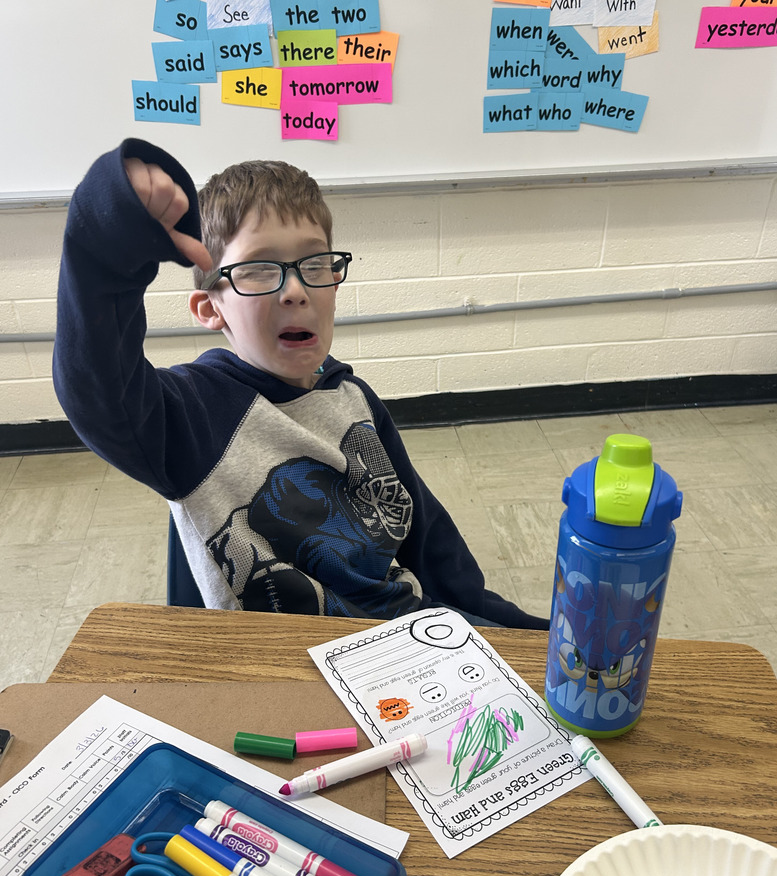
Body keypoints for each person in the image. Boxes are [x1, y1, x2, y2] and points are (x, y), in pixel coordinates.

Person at [53, 138, 548, 630]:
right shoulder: (189, 415)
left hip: (403, 642)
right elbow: (97, 386)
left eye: (315, 265)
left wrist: (512, 629)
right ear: (211, 308)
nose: (296, 290)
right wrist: (109, 241)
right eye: (259, 270)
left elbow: (429, 542)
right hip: (284, 670)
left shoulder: (353, 399)